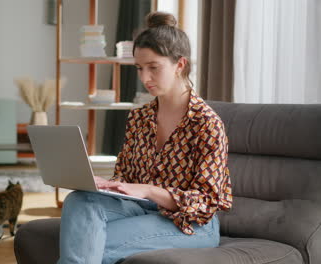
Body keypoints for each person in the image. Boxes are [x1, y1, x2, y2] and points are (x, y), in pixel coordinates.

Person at [57, 12, 232, 264]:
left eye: (153, 68)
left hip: (191, 223)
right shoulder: (139, 117)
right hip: (139, 210)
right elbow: (125, 177)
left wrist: (150, 190)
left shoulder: (207, 123)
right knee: (80, 200)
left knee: (90, 243)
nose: (144, 78)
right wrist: (107, 185)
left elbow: (206, 202)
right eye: (139, 68)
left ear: (180, 65)